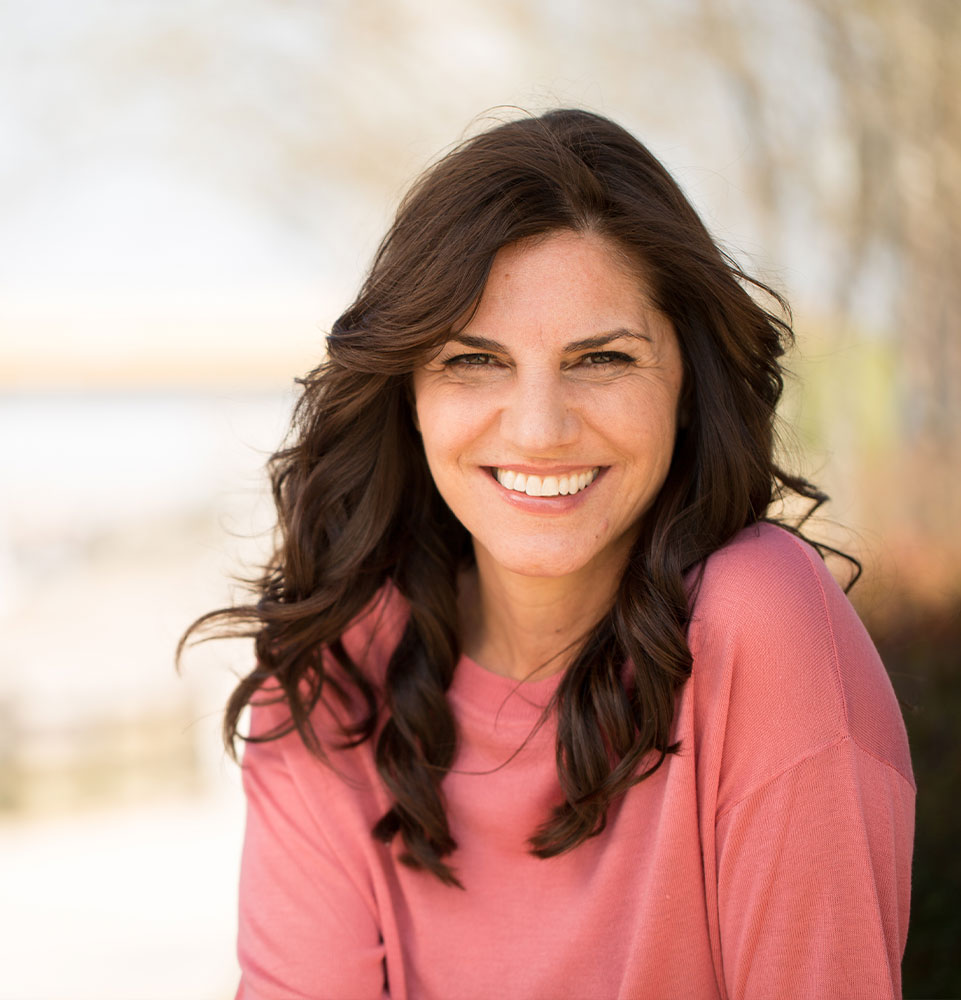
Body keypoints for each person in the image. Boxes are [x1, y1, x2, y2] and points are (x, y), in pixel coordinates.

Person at [183, 109, 915, 999]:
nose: (538, 429)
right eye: (474, 360)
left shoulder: (761, 622)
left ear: (687, 384)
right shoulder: (328, 681)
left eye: (600, 358)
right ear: (406, 391)